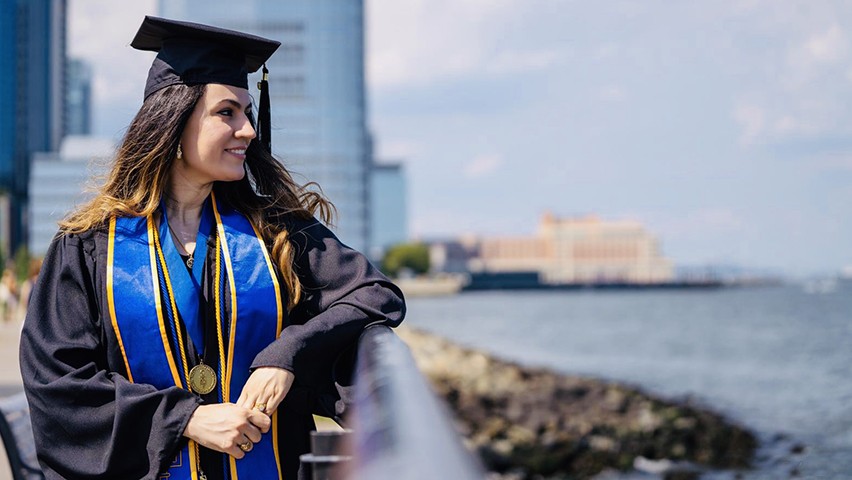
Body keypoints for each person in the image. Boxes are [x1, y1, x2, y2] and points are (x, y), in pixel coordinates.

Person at [20, 16, 405, 480]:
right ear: (173, 124)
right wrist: (185, 418)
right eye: (227, 113)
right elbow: (58, 383)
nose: (247, 130)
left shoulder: (277, 234)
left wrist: (290, 353)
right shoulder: (87, 248)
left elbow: (375, 295)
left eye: (247, 112)